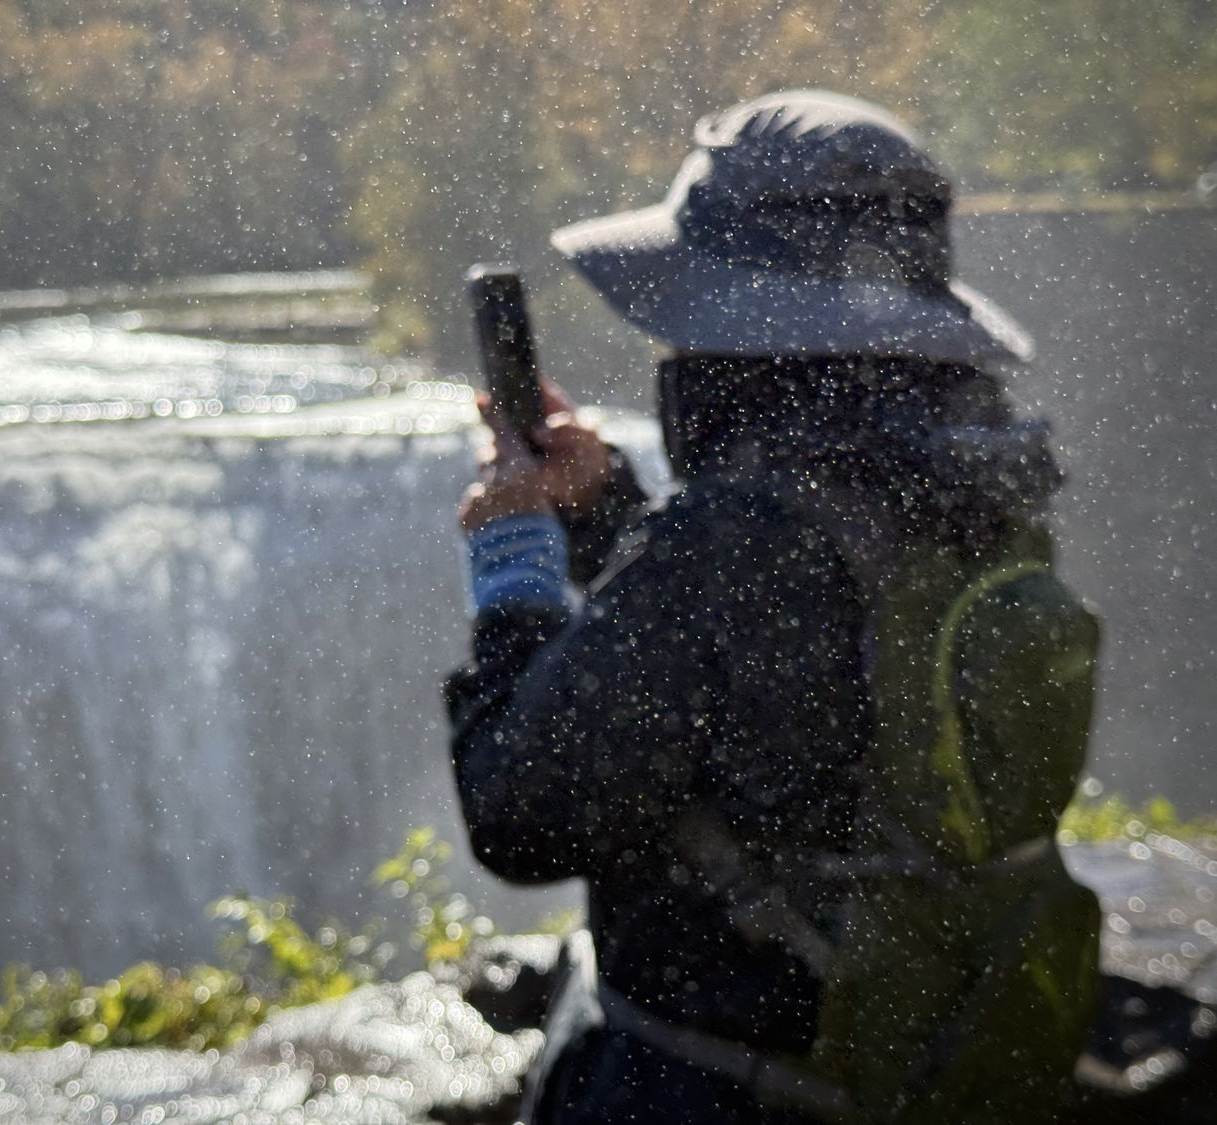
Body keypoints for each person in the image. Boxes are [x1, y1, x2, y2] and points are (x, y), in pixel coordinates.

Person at [444, 90, 1102, 1124]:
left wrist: (516, 565)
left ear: (739, 330)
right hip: (942, 1048)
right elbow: (796, 680)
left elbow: (518, 813)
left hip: (734, 1092)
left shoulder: (734, 547)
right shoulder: (980, 485)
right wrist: (615, 516)